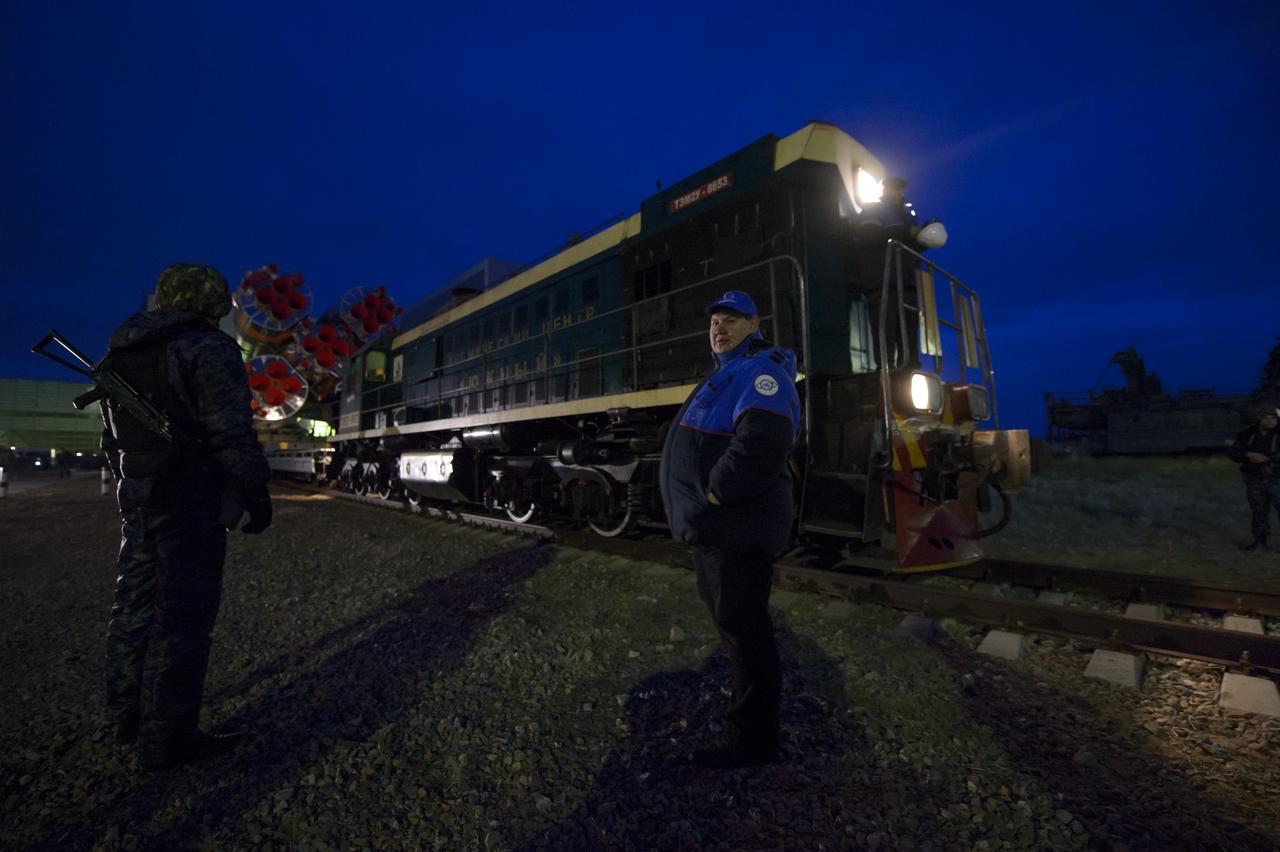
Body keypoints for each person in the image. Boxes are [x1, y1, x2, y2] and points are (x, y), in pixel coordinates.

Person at [101, 263, 273, 770]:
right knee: (183, 616)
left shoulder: (123, 350)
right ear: (212, 303)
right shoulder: (207, 348)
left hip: (139, 492)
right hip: (189, 497)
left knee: (133, 603)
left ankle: (123, 719)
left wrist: (133, 481)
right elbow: (230, 434)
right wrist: (254, 494)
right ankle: (168, 740)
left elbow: (111, 440)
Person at [659, 290, 801, 769]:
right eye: (715, 322)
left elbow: (763, 440)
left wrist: (715, 495)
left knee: (746, 632)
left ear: (754, 324)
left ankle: (754, 743)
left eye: (731, 321)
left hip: (734, 531)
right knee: (736, 628)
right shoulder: (728, 372)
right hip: (718, 530)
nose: (719, 329)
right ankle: (750, 725)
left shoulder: (760, 371)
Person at [1226, 405, 1280, 551]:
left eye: (1273, 417)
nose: (1270, 421)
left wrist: (1268, 459)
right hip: (1255, 479)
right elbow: (1232, 451)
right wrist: (1248, 455)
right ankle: (1259, 541)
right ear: (1259, 418)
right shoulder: (1247, 434)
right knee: (1258, 511)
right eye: (1265, 418)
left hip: (1276, 478)